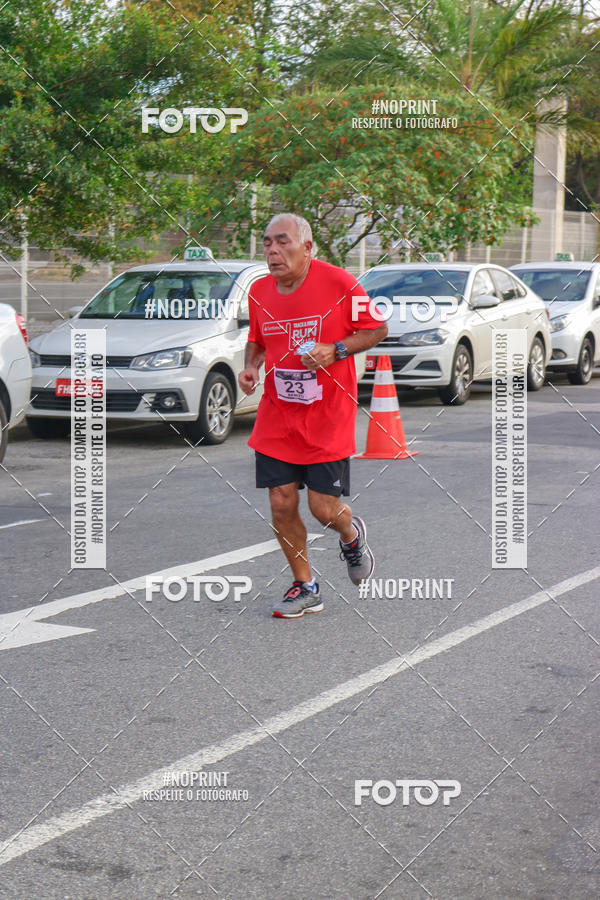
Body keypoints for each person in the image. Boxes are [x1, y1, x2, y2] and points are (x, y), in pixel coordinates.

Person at [238, 213, 388, 618]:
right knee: (281, 503)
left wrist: (335, 350)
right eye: (267, 243)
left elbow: (377, 329)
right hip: (278, 417)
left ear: (307, 247)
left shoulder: (339, 282)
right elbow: (256, 341)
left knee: (324, 510)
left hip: (328, 416)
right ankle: (305, 586)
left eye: (282, 242)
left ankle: (350, 534)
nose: (272, 250)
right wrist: (251, 367)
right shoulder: (258, 291)